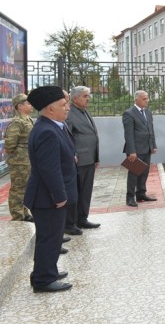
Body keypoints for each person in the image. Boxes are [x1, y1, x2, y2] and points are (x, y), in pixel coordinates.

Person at [24, 86, 77, 293]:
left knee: (51, 237)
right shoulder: (46, 131)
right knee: (49, 237)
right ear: (49, 108)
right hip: (48, 197)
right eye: (63, 105)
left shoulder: (55, 125)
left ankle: (46, 271)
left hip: (50, 195)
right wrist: (59, 196)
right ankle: (43, 280)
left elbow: (62, 154)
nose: (67, 108)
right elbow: (49, 169)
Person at [64, 86, 100, 234]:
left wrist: (96, 157)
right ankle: (70, 223)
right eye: (85, 96)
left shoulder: (84, 112)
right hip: (78, 159)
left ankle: (82, 218)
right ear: (75, 98)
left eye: (88, 95)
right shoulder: (69, 113)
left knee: (86, 191)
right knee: (75, 193)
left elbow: (92, 135)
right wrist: (73, 154)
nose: (88, 98)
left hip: (90, 159)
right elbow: (68, 136)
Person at [122, 90, 158, 207]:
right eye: (144, 99)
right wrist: (132, 151)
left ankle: (141, 193)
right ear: (136, 100)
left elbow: (151, 130)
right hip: (135, 150)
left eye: (147, 98)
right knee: (134, 173)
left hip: (147, 148)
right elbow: (129, 134)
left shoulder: (148, 112)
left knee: (144, 172)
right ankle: (130, 197)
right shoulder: (129, 113)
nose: (147, 100)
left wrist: (153, 145)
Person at [5, 93, 34, 221]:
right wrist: (19, 155)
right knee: (18, 189)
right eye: (28, 103)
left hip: (27, 160)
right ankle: (17, 215)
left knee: (26, 187)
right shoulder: (17, 122)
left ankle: (25, 212)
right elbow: (10, 144)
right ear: (20, 106)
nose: (31, 105)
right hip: (19, 162)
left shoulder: (28, 119)